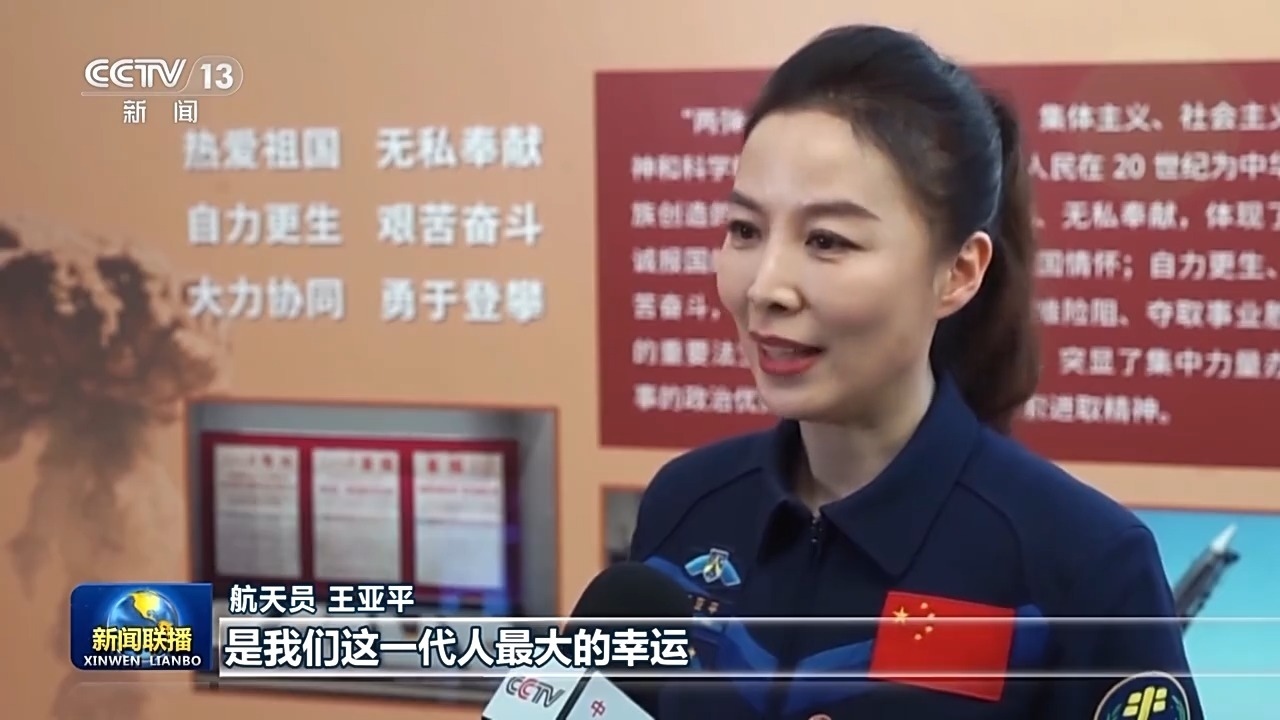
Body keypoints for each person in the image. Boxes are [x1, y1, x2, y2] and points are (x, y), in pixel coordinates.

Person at [627, 24, 1202, 720]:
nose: (766, 287)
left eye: (827, 240)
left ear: (958, 272)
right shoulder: (686, 504)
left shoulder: (1083, 564)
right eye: (745, 230)